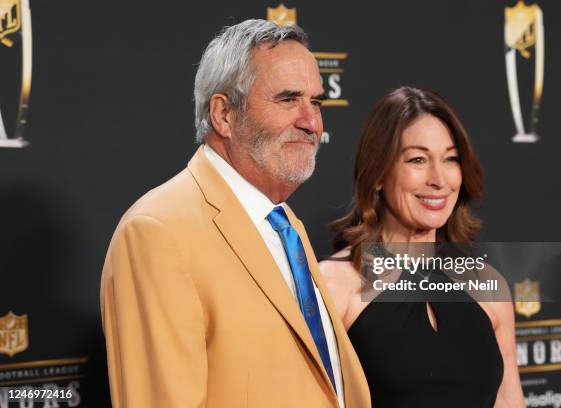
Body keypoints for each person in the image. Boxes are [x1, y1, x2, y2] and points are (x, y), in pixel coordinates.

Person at [100, 19, 370, 408]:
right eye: (288, 99)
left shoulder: (285, 225)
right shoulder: (156, 234)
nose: (312, 122)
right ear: (224, 114)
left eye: (316, 102)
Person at [319, 87, 524, 407]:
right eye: (418, 159)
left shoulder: (488, 286)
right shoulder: (334, 286)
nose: (439, 179)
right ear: (377, 174)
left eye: (450, 159)